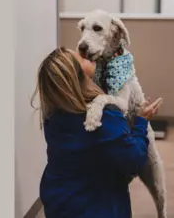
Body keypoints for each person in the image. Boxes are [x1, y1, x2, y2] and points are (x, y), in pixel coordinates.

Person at [31, 47, 162, 218]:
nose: (86, 55)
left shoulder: (52, 117)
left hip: (58, 203)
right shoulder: (104, 119)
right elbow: (134, 160)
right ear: (78, 76)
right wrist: (141, 123)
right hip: (97, 209)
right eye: (81, 58)